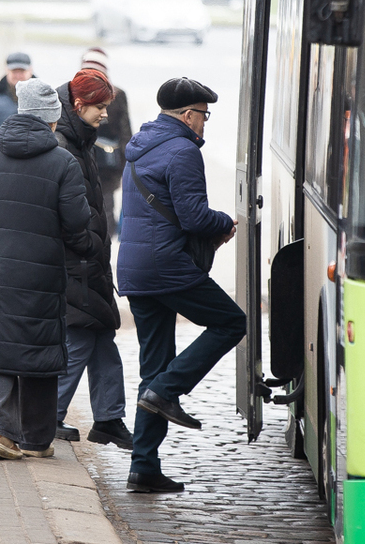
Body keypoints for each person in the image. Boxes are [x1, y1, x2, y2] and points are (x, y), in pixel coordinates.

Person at [117, 77, 243, 493]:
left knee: (152, 365)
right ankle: (168, 389)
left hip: (135, 268)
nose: (205, 123)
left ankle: (143, 468)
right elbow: (193, 217)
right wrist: (225, 223)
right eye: (204, 115)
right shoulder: (184, 150)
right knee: (231, 322)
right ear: (189, 115)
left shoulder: (142, 143)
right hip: (167, 267)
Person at [0, 78, 96, 460]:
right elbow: (77, 224)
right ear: (53, 119)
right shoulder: (62, 162)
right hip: (40, 273)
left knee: (3, 345)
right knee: (39, 348)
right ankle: (37, 440)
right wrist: (89, 247)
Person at [52, 69, 133, 450]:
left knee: (102, 339)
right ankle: (47, 416)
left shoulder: (79, 139)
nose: (105, 115)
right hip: (77, 265)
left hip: (89, 263)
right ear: (79, 105)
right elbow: (66, 213)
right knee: (82, 338)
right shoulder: (65, 145)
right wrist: (86, 246)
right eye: (100, 108)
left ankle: (109, 419)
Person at [80, 48, 133, 239]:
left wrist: (127, 164)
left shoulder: (117, 95)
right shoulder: (72, 94)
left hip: (107, 163)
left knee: (106, 208)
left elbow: (125, 131)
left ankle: (105, 248)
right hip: (80, 160)